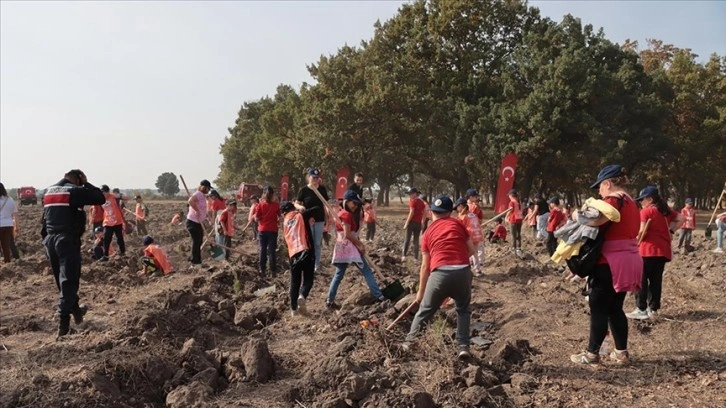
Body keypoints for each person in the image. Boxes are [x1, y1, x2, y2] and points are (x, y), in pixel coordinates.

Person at [570, 164, 641, 366]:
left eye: (599, 187)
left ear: (608, 183)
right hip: (629, 258)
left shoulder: (612, 200)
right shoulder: (631, 202)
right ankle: (621, 352)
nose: (599, 193)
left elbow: (596, 220)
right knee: (615, 308)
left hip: (610, 261)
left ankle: (592, 354)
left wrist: (576, 215)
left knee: (598, 307)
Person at [403, 195, 476, 359]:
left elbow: (425, 267)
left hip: (440, 274)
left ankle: (409, 343)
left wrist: (420, 293)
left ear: (432, 213)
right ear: (450, 212)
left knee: (425, 310)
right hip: (463, 272)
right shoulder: (458, 224)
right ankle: (463, 346)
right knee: (463, 310)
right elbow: (472, 250)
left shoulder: (427, 233)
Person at [41, 169, 105, 337]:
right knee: (69, 280)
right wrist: (86, 182)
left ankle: (76, 312)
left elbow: (44, 220)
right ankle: (63, 327)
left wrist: (45, 243)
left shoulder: (48, 192)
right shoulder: (74, 190)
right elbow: (99, 197)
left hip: (50, 240)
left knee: (62, 281)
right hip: (66, 240)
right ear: (78, 178)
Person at [627, 186, 684, 320]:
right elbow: (681, 218)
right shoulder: (665, 212)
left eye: (642, 199)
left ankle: (641, 309)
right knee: (655, 281)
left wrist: (633, 241)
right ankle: (653, 309)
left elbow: (641, 231)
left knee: (640, 279)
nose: (641, 202)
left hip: (647, 250)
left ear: (650, 199)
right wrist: (671, 231)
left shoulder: (646, 211)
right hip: (662, 251)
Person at [326, 190, 386, 309]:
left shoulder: (341, 214)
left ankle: (329, 300)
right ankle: (379, 296)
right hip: (350, 247)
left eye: (357, 204)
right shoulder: (346, 215)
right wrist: (360, 244)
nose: (356, 206)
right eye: (354, 203)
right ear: (347, 202)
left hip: (341, 247)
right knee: (366, 271)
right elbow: (348, 234)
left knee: (339, 274)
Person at [281, 202, 316, 316]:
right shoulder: (301, 215)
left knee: (295, 282)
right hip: (306, 251)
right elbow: (317, 208)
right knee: (308, 279)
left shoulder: (285, 222)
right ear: (293, 208)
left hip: (293, 254)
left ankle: (293, 310)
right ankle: (302, 295)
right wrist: (300, 207)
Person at [294, 168, 330, 272]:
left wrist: (329, 216)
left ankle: (316, 264)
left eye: (317, 178)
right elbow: (296, 203)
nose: (315, 179)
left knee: (317, 243)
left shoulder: (322, 189)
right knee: (308, 242)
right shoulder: (304, 190)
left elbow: (326, 204)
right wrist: (300, 207)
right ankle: (308, 262)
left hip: (319, 219)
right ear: (309, 177)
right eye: (313, 177)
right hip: (307, 219)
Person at [255, 186, 281, 275]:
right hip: (273, 230)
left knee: (262, 249)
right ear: (273, 194)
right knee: (272, 250)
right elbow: (280, 217)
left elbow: (256, 218)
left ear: (263, 194)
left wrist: (260, 218)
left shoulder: (260, 205)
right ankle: (273, 270)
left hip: (262, 229)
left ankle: (262, 268)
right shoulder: (276, 205)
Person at [455, 198, 483, 274]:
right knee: (474, 253)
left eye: (457, 207)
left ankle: (477, 270)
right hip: (477, 235)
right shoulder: (473, 215)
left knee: (471, 253)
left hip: (470, 237)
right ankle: (472, 267)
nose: (457, 209)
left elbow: (458, 226)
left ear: (461, 206)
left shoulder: (463, 216)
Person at [187, 180, 211, 266]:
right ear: (204, 187)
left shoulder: (202, 196)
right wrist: (196, 210)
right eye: (208, 188)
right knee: (196, 241)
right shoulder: (198, 194)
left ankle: (196, 260)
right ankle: (195, 262)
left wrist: (207, 216)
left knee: (199, 241)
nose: (208, 190)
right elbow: (190, 201)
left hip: (198, 222)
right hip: (193, 222)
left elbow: (203, 209)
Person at [100, 185, 126, 260]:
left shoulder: (114, 197)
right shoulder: (100, 199)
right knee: (106, 239)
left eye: (104, 192)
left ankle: (122, 252)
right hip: (107, 222)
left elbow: (127, 197)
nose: (102, 194)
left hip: (117, 221)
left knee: (119, 238)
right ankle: (105, 255)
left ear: (108, 192)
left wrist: (118, 195)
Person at [402, 187, 426, 261]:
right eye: (409, 194)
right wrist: (422, 222)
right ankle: (416, 258)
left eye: (411, 194)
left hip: (412, 223)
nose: (410, 195)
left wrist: (406, 223)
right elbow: (425, 212)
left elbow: (411, 212)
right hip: (418, 223)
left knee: (407, 239)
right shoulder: (422, 202)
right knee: (416, 240)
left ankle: (404, 256)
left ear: (415, 194)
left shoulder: (413, 201)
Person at [0, 182, 19, 263]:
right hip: (8, 225)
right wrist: (17, 226)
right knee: (6, 246)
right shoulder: (10, 199)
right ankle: (7, 261)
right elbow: (15, 214)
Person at [506, 189, 524, 256]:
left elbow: (510, 210)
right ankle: (519, 247)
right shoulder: (519, 202)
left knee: (513, 235)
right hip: (519, 219)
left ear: (511, 195)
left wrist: (506, 217)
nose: (509, 197)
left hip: (513, 220)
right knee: (518, 234)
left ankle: (514, 248)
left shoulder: (512, 202)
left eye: (509, 195)